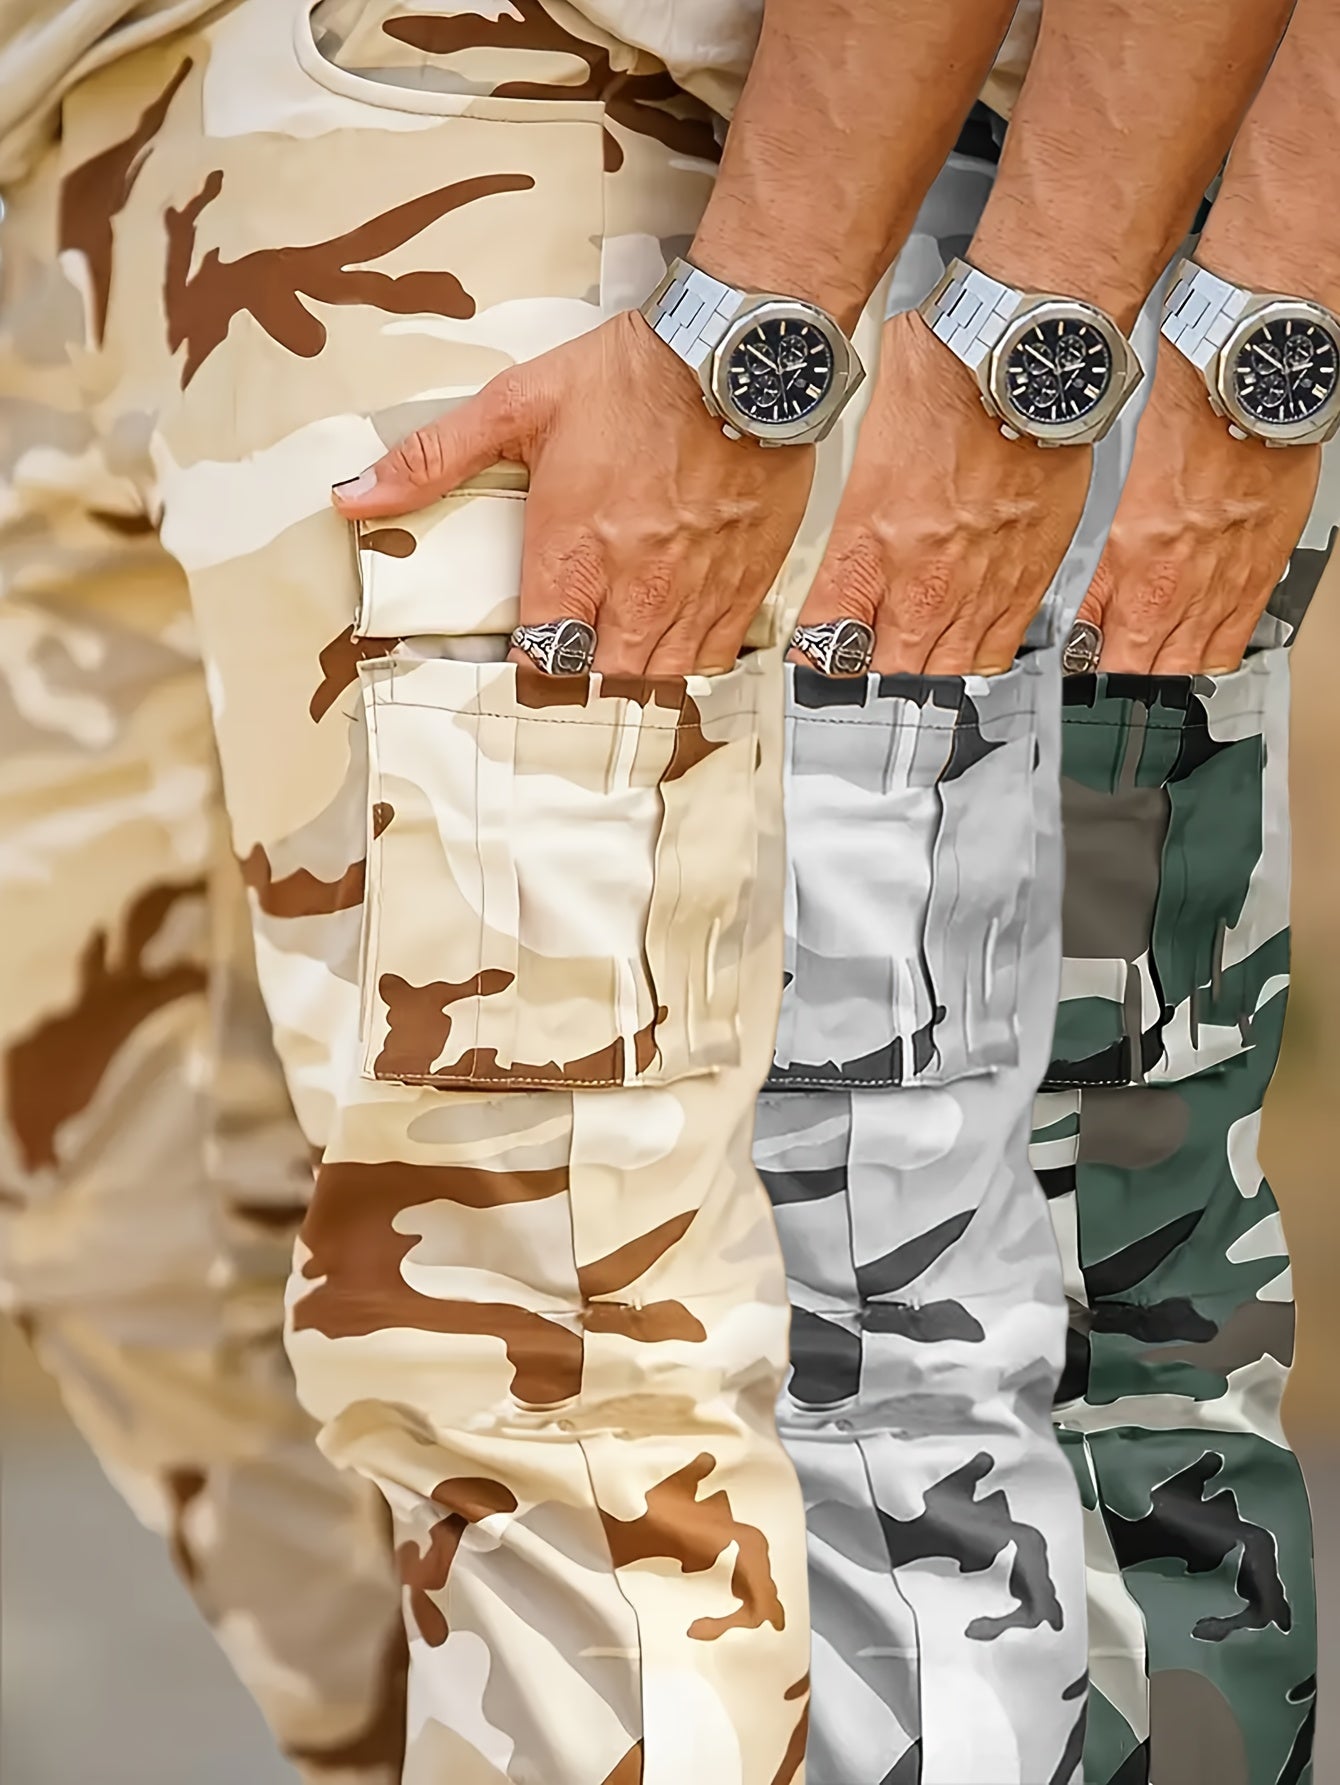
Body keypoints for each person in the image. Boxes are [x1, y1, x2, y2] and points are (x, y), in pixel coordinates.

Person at [0, 6, 1324, 1785]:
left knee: (668, 1355)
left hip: (509, 118)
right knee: (133, 1228)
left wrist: (770, 330)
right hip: (70, 149)